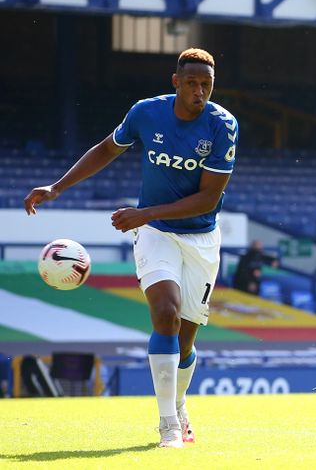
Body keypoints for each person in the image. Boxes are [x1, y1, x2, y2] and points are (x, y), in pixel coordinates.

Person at [24, 48, 237, 448]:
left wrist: (144, 212)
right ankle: (168, 424)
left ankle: (179, 404)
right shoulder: (146, 112)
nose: (199, 92)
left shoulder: (222, 125)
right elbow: (107, 149)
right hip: (155, 232)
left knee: (186, 342)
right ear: (176, 82)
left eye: (206, 85)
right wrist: (57, 187)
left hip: (201, 238)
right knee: (166, 314)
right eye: (191, 83)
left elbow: (208, 198)